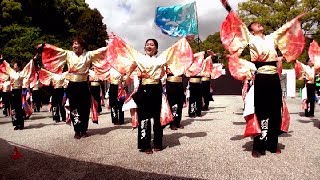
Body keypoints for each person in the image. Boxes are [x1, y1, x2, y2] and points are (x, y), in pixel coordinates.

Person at [220, 8, 305, 157]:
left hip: (273, 78)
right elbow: (238, 20)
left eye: (259, 23)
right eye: (255, 24)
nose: (258, 24)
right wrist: (227, 6)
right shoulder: (250, 38)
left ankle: (272, 144)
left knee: (275, 110)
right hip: (261, 77)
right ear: (251, 30)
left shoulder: (271, 37)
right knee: (261, 110)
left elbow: (284, 28)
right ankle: (257, 146)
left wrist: (296, 19)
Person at [107, 36, 193, 153]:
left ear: (156, 48)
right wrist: (114, 39)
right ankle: (145, 144)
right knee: (144, 117)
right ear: (144, 47)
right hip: (144, 89)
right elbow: (126, 47)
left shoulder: (161, 58)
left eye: (152, 44)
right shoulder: (139, 57)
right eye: (147, 44)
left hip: (156, 88)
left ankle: (158, 143)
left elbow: (173, 49)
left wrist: (184, 40)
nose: (149, 46)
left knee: (158, 118)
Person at [39, 37, 109, 139]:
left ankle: (84, 129)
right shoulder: (68, 54)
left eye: (76, 44)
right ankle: (77, 130)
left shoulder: (89, 55)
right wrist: (44, 46)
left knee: (85, 108)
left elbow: (102, 52)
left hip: (84, 85)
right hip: (72, 85)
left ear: (82, 46)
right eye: (73, 44)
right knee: (74, 108)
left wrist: (112, 46)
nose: (73, 46)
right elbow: (55, 51)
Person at [0, 58, 36, 130]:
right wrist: (2, 60)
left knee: (19, 108)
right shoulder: (12, 72)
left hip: (19, 91)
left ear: (19, 67)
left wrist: (33, 60)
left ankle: (21, 124)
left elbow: (28, 67)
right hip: (12, 91)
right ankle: (16, 124)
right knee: (13, 108)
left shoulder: (22, 73)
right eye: (14, 65)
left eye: (15, 65)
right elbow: (7, 66)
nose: (14, 66)